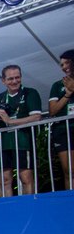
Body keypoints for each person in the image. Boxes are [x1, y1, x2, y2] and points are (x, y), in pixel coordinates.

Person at [0, 65, 42, 197]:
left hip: (22, 141)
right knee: (5, 180)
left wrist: (10, 121)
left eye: (17, 77)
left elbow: (37, 117)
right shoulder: (0, 97)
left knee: (26, 178)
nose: (14, 81)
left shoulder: (30, 92)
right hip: (3, 143)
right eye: (10, 78)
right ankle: (8, 209)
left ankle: (30, 208)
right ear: (3, 81)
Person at [49, 49, 74, 190]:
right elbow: (52, 111)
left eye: (66, 63)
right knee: (69, 171)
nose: (64, 67)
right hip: (63, 131)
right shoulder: (57, 85)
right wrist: (68, 94)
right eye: (61, 65)